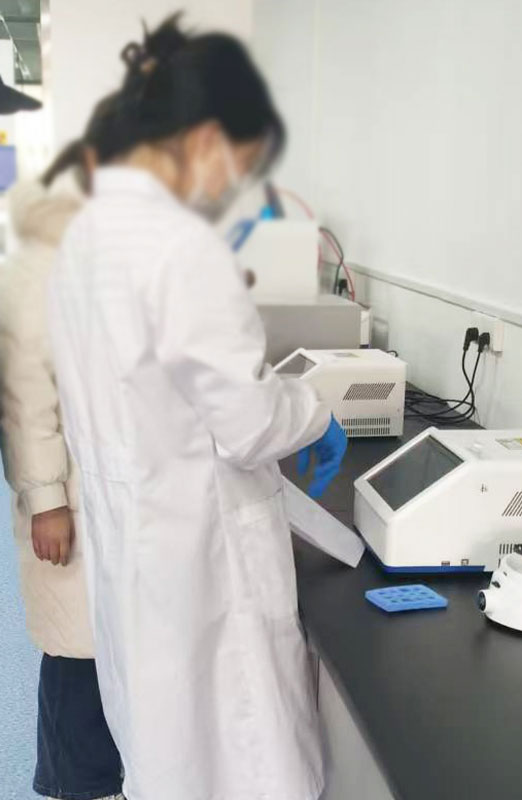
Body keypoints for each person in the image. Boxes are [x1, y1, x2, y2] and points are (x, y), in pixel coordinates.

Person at [48, 16, 347, 800]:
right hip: (202, 555)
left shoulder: (85, 238)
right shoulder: (181, 246)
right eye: (238, 167)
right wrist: (315, 413)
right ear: (209, 137)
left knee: (167, 751)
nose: (227, 188)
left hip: (137, 544)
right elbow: (249, 423)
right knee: (242, 756)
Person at [0, 127, 124, 798]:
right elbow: (25, 395)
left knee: (106, 646)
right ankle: (73, 783)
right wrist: (47, 499)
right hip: (68, 498)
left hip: (109, 487)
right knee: (77, 648)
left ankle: (102, 775)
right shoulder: (39, 263)